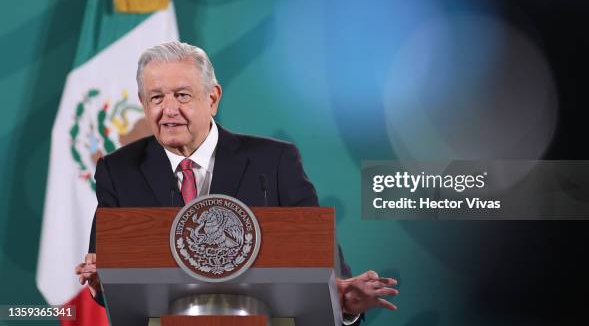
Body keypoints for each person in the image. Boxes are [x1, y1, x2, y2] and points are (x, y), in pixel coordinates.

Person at [75, 42, 398, 323]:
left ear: (213, 98)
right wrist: (100, 281)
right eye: (156, 97)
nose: (168, 109)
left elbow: (324, 269)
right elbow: (107, 272)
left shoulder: (273, 162)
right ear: (143, 103)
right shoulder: (117, 171)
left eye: (182, 95)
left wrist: (343, 303)